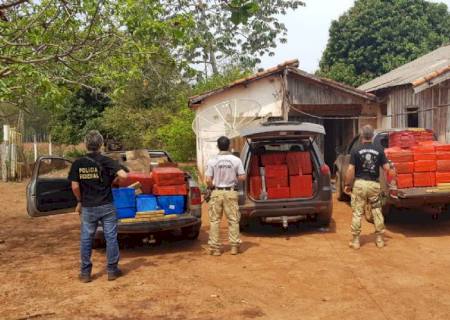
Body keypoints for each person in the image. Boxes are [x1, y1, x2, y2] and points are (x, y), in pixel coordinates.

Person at [68, 130, 128, 282]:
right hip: (107, 205)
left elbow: (75, 186)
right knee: (111, 238)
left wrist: (79, 201)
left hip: (88, 207)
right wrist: (114, 181)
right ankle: (112, 271)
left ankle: (85, 273)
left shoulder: (78, 163)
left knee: (86, 239)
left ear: (86, 144)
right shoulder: (106, 161)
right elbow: (124, 175)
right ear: (101, 144)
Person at [344, 125, 390, 250]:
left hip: (359, 184)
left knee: (357, 212)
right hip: (374, 184)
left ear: (362, 135)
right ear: (372, 136)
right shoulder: (380, 150)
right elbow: (387, 168)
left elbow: (350, 170)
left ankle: (356, 241)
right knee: (376, 211)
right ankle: (380, 240)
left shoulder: (356, 150)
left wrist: (348, 184)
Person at [205, 136, 246, 256]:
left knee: (215, 220)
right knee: (233, 220)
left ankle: (215, 248)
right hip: (231, 192)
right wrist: (234, 179)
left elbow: (208, 180)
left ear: (218, 146)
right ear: (229, 146)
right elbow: (242, 177)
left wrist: (211, 187)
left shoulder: (212, 160)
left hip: (216, 192)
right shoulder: (236, 160)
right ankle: (234, 247)